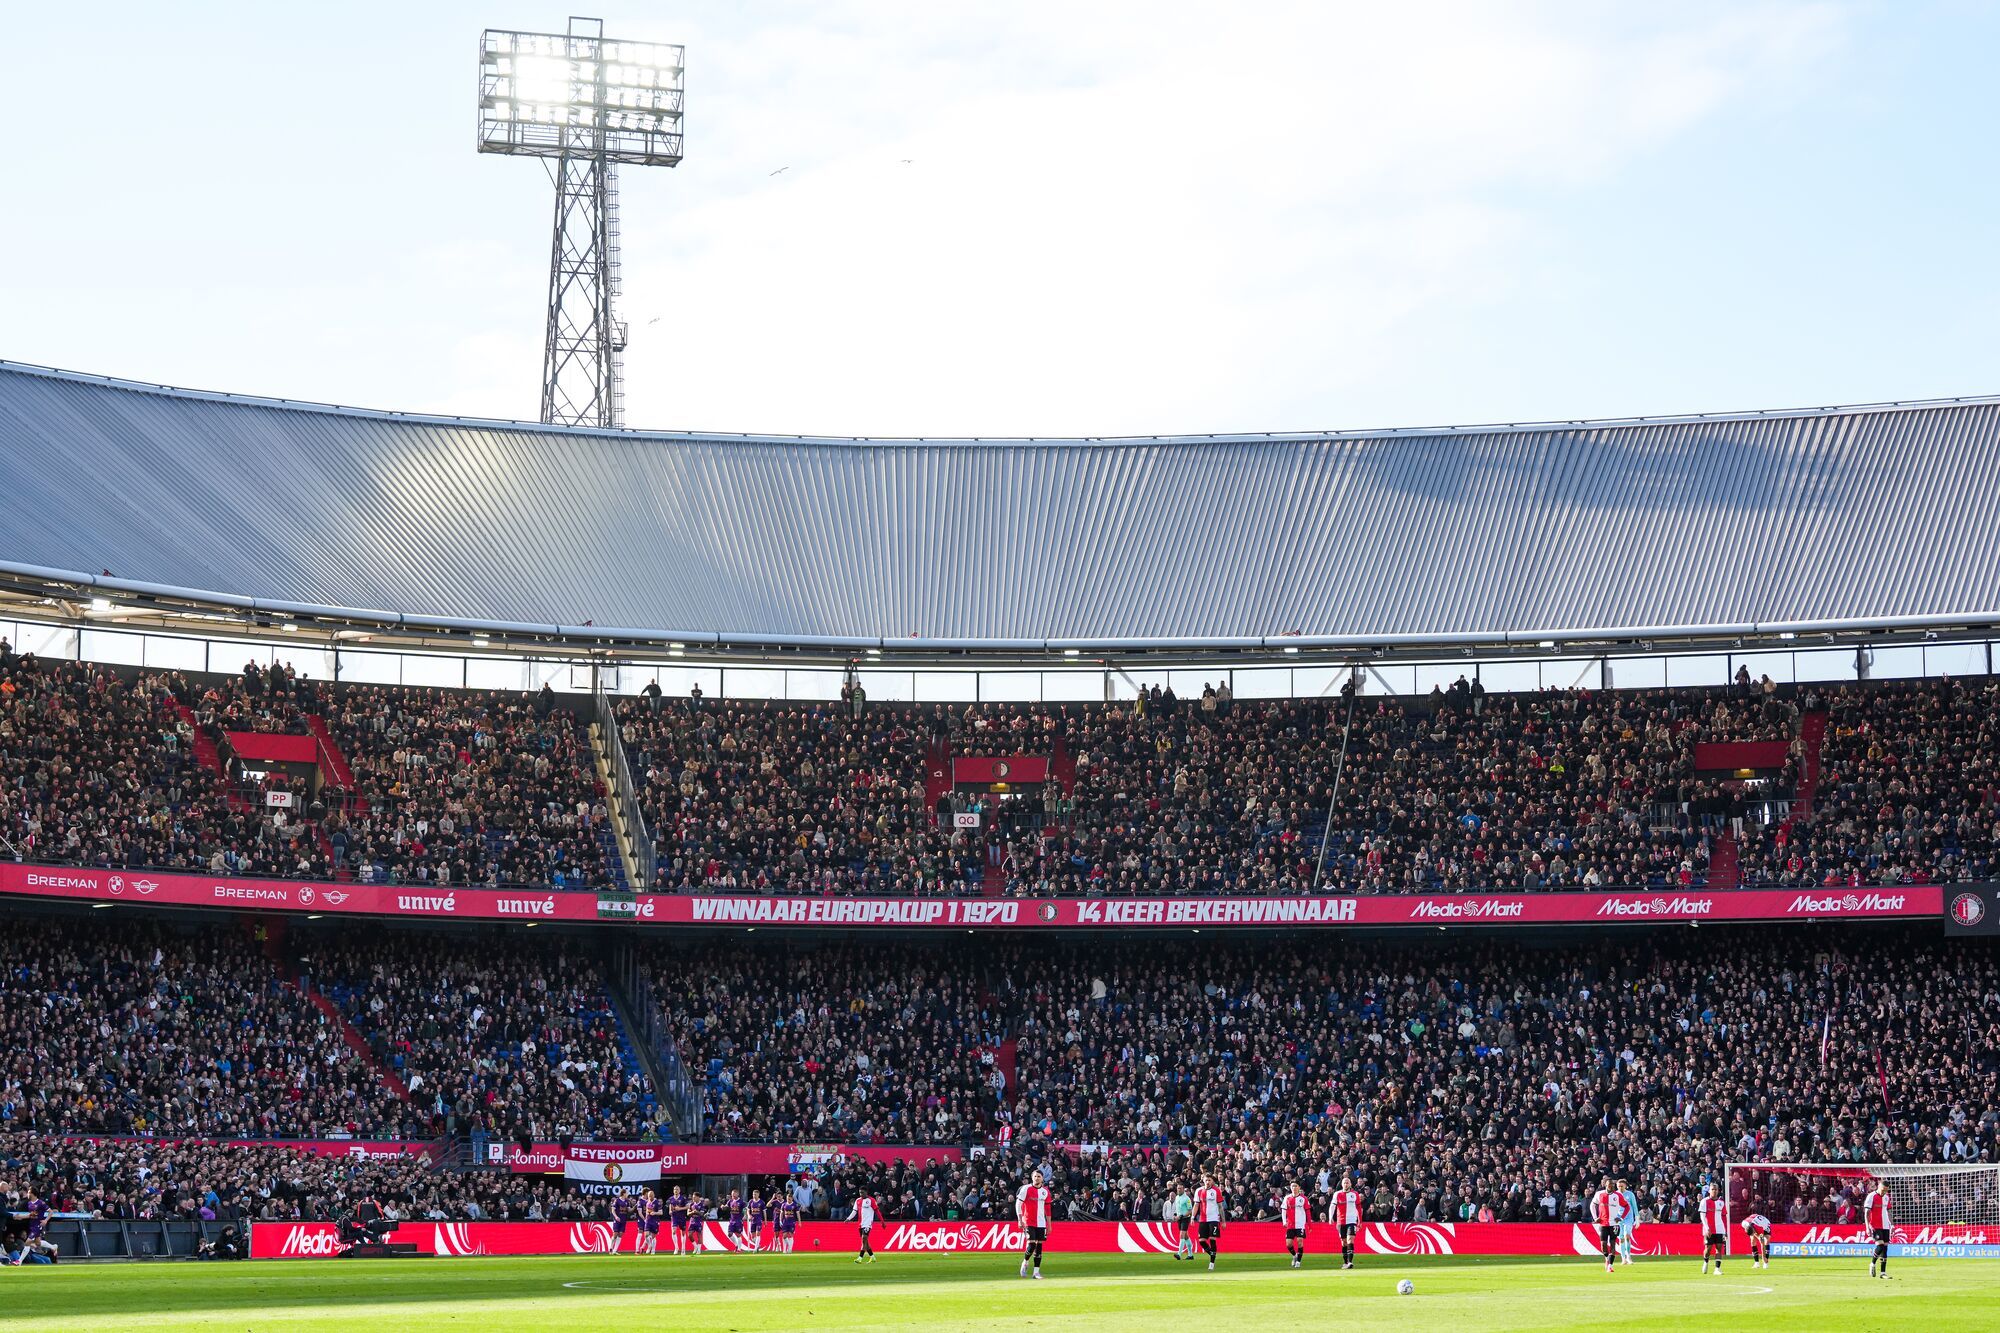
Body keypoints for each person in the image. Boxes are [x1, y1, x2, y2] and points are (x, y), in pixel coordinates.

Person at [1016, 1168, 1051, 1280]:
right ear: (1032, 1178)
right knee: (1032, 1245)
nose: (1037, 1178)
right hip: (1028, 1221)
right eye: (1035, 1176)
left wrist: (1049, 1224)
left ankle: (1036, 1273)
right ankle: (1025, 1262)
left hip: (1041, 1223)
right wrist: (1020, 1219)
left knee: (1039, 1246)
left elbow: (1048, 1209)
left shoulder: (1045, 1192)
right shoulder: (1025, 1189)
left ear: (1042, 1179)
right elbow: (1018, 1204)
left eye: (1039, 1176)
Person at [1327, 1175, 1362, 1270]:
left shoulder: (1355, 1194)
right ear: (1342, 1184)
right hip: (1341, 1221)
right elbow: (1332, 1206)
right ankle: (1345, 1262)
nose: (1346, 1184)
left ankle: (1350, 1262)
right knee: (1344, 1242)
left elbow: (1359, 1208)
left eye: (1347, 1182)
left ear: (1350, 1184)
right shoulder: (1337, 1194)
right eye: (1344, 1183)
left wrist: (1360, 1220)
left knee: (1350, 1239)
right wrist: (1330, 1217)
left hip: (1352, 1220)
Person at [1192, 1174, 1224, 1272]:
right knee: (1201, 1241)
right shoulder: (1199, 1191)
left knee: (1212, 1239)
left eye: (1209, 1180)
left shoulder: (1216, 1191)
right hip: (1203, 1219)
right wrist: (1192, 1217)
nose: (1208, 1182)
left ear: (1212, 1181)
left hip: (1214, 1218)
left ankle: (1211, 1263)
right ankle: (1212, 1253)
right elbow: (1196, 1205)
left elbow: (1220, 1207)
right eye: (1206, 1180)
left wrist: (1223, 1221)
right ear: (1203, 1180)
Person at [1588, 1177, 1620, 1273]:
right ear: (1605, 1185)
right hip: (1603, 1223)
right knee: (1603, 1244)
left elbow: (1626, 1206)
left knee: (1613, 1244)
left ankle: (1610, 1265)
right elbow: (1592, 1205)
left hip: (1614, 1224)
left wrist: (1620, 1217)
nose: (1611, 1186)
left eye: (1612, 1185)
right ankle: (1606, 1258)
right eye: (1609, 1185)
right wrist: (1595, 1217)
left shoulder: (1617, 1195)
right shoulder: (1599, 1194)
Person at [1865, 1182, 1893, 1279]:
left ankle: (1883, 1273)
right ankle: (1872, 1264)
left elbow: (1889, 1211)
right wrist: (1867, 1226)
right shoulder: (1871, 1196)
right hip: (1875, 1225)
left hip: (1885, 1226)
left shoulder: (1886, 1197)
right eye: (1883, 1189)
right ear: (1879, 1187)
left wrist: (1892, 1225)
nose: (1884, 1191)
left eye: (1886, 1190)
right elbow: (1867, 1212)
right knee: (1880, 1245)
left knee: (1885, 1248)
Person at [1697, 1184, 1727, 1275]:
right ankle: (1706, 1262)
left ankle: (1717, 1269)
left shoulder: (1721, 1202)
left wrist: (1725, 1231)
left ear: (1718, 1191)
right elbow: (1702, 1216)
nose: (1714, 1191)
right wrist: (1706, 1228)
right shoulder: (1704, 1201)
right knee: (1708, 1249)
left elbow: (1724, 1217)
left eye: (1716, 1189)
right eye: (1712, 1189)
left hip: (1720, 1229)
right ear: (1709, 1191)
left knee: (1719, 1248)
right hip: (1709, 1229)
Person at [1281, 1181, 1311, 1269]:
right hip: (1290, 1224)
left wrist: (1309, 1224)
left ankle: (1298, 1261)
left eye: (1295, 1186)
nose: (1294, 1188)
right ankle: (1294, 1255)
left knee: (1299, 1241)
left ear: (1299, 1187)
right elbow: (1283, 1210)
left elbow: (1307, 1211)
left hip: (1300, 1224)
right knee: (1288, 1244)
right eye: (1292, 1186)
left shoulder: (1304, 1198)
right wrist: (1284, 1221)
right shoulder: (1287, 1198)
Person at [1615, 1177, 1639, 1266]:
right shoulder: (1615, 1194)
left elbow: (1634, 1206)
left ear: (1625, 1186)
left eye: (1621, 1186)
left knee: (1627, 1236)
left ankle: (1629, 1256)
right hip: (1618, 1219)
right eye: (1618, 1186)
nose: (1620, 1188)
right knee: (1621, 1238)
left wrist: (1637, 1219)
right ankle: (1623, 1258)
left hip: (1628, 1218)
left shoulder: (1630, 1194)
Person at [853, 1192, 880, 1264]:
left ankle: (860, 1257)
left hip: (868, 1224)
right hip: (861, 1224)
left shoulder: (871, 1200)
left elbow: (877, 1211)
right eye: (859, 1192)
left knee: (864, 1238)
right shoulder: (858, 1200)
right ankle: (872, 1257)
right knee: (866, 1242)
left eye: (862, 1192)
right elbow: (854, 1211)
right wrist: (848, 1218)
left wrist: (882, 1222)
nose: (860, 1194)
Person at [1171, 1183, 1194, 1261]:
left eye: (1180, 1188)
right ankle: (1190, 1255)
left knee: (1182, 1235)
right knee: (1186, 1236)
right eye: (1178, 1188)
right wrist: (1175, 1215)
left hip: (1185, 1218)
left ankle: (1179, 1254)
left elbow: (1190, 1210)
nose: (1179, 1190)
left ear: (1183, 1189)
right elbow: (1177, 1209)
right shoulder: (1177, 1197)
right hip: (1179, 1219)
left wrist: (1180, 1216)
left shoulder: (1187, 1199)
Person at [666, 1185, 691, 1255]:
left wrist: (680, 1208)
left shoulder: (683, 1198)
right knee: (673, 1231)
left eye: (677, 1189)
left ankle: (683, 1248)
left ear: (679, 1191)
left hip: (682, 1217)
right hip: (674, 1217)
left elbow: (688, 1206)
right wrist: (670, 1211)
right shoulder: (671, 1198)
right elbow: (671, 1205)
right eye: (674, 1189)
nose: (676, 1191)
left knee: (683, 1232)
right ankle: (676, 1248)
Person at [637, 1190, 661, 1255]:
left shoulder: (657, 1202)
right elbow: (647, 1211)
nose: (650, 1197)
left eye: (651, 1196)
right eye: (649, 1196)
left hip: (655, 1221)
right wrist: (646, 1215)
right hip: (648, 1220)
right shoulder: (647, 1203)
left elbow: (661, 1212)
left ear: (653, 1195)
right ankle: (650, 1246)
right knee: (646, 1235)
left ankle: (653, 1250)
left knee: (653, 1236)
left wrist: (655, 1213)